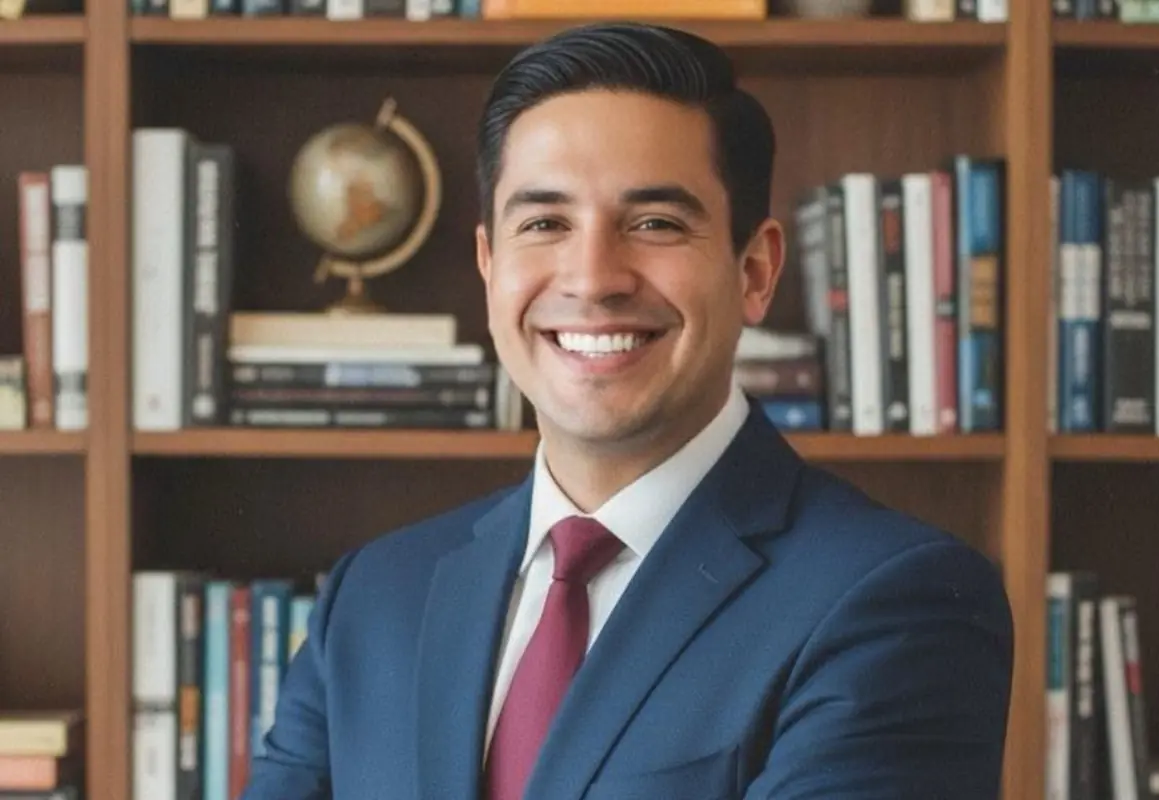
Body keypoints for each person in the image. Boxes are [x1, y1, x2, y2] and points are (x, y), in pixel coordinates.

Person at [241, 20, 1014, 800]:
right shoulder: (374, 597)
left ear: (754, 270)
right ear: (488, 267)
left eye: (655, 224)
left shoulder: (897, 602)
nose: (593, 277)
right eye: (544, 224)